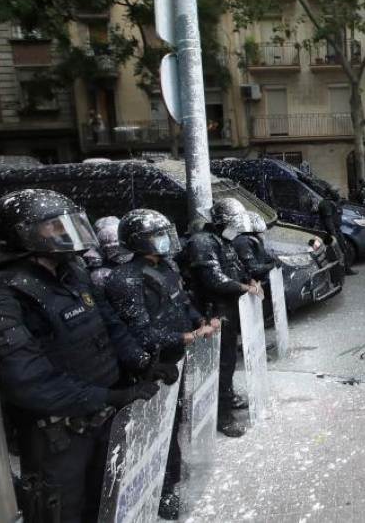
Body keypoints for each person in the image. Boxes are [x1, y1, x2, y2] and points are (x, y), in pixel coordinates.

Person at [0, 189, 163, 523]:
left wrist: (141, 361)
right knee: (64, 512)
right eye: (53, 226)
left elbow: (109, 325)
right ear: (22, 233)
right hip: (58, 437)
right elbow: (28, 380)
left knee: (107, 501)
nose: (65, 232)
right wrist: (110, 396)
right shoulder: (1, 291)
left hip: (103, 417)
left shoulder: (73, 271)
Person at [106, 209, 218, 519]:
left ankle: (171, 474)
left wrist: (200, 321)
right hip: (150, 365)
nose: (166, 239)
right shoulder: (125, 279)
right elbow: (139, 332)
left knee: (174, 419)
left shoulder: (166, 267)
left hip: (175, 356)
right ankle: (161, 490)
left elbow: (182, 303)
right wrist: (186, 336)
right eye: (157, 235)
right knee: (152, 430)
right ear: (138, 241)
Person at [186, 198, 263, 437]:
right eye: (232, 223)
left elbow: (235, 268)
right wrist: (246, 288)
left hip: (228, 308)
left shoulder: (223, 240)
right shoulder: (202, 242)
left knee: (228, 362)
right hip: (213, 312)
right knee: (220, 364)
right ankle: (222, 416)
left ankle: (227, 398)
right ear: (220, 222)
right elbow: (215, 280)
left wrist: (249, 279)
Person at [319, 189, 356, 275]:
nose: (337, 194)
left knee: (343, 249)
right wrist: (333, 234)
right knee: (337, 251)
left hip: (336, 230)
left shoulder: (332, 202)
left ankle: (345, 269)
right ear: (329, 195)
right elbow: (328, 221)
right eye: (335, 192)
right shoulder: (325, 204)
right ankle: (342, 271)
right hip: (331, 232)